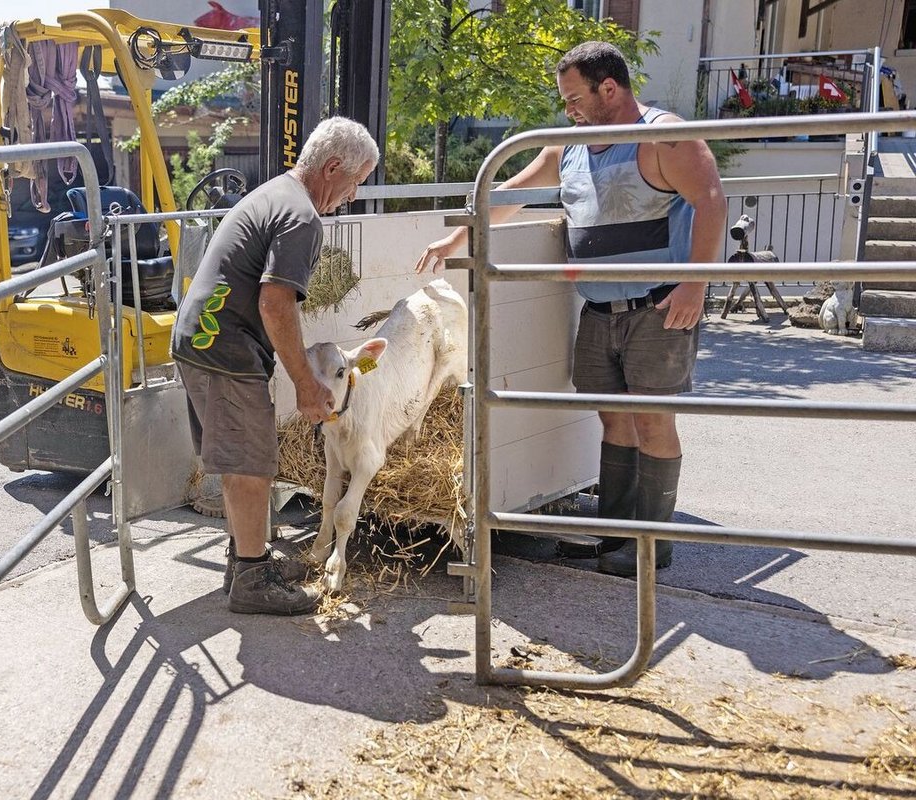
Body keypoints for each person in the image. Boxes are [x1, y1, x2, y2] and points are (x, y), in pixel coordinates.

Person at [416, 41, 726, 576]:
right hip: (600, 310)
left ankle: (653, 548)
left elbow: (712, 199)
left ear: (610, 88)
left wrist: (695, 284)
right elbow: (509, 193)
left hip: (657, 307)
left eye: (575, 97)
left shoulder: (662, 134)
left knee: (653, 422)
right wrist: (458, 241)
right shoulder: (567, 148)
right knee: (615, 422)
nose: (569, 110)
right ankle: (614, 539)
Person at [172, 116, 380, 614]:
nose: (352, 195)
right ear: (333, 167)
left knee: (242, 459)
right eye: (355, 183)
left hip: (202, 338)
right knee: (249, 463)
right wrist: (306, 383)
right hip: (225, 344)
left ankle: (246, 558)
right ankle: (250, 579)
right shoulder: (302, 216)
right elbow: (275, 303)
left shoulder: (276, 193)